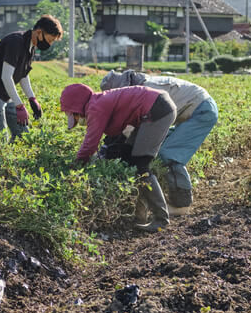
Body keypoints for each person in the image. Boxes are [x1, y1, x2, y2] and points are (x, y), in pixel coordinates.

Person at [60, 83, 177, 233]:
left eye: (74, 114)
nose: (77, 119)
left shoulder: (95, 107)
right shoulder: (97, 101)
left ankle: (161, 219)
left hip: (157, 109)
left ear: (77, 106)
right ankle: (140, 217)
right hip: (156, 106)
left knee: (140, 165)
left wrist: (76, 165)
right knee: (130, 161)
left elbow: (90, 144)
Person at [100, 70, 218, 216]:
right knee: (150, 151)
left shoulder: (146, 89)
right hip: (189, 110)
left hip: (202, 109)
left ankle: (181, 205)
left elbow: (131, 129)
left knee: (168, 155)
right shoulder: (138, 89)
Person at [0, 14, 63, 139]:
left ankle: (14, 157)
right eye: (49, 40)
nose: (49, 44)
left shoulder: (31, 46)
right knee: (0, 137)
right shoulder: (16, 42)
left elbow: (23, 75)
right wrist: (19, 105)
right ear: (39, 32)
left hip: (6, 94)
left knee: (23, 134)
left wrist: (32, 99)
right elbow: (6, 77)